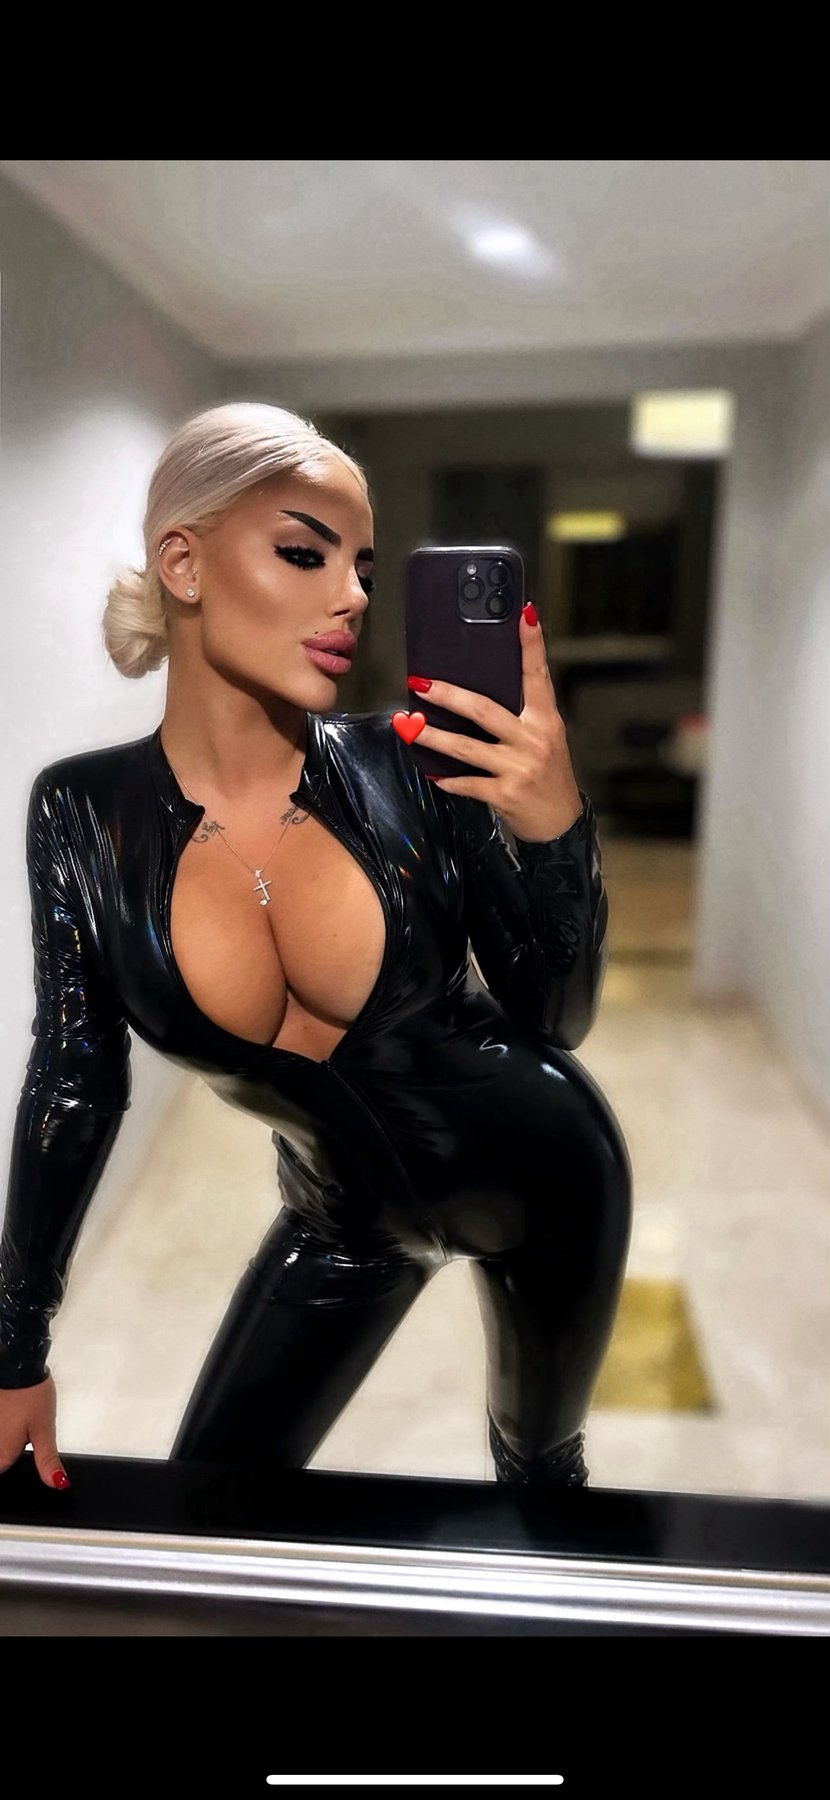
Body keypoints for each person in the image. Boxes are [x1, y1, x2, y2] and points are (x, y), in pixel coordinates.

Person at [0, 401, 632, 1492]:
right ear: (184, 565)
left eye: (364, 568)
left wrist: (553, 832)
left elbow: (554, 1018)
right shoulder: (83, 812)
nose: (352, 596)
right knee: (213, 1499)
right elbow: (75, 1077)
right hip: (345, 1219)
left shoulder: (411, 766)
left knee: (539, 1471)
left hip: (553, 1179)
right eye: (305, 553)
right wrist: (14, 1344)